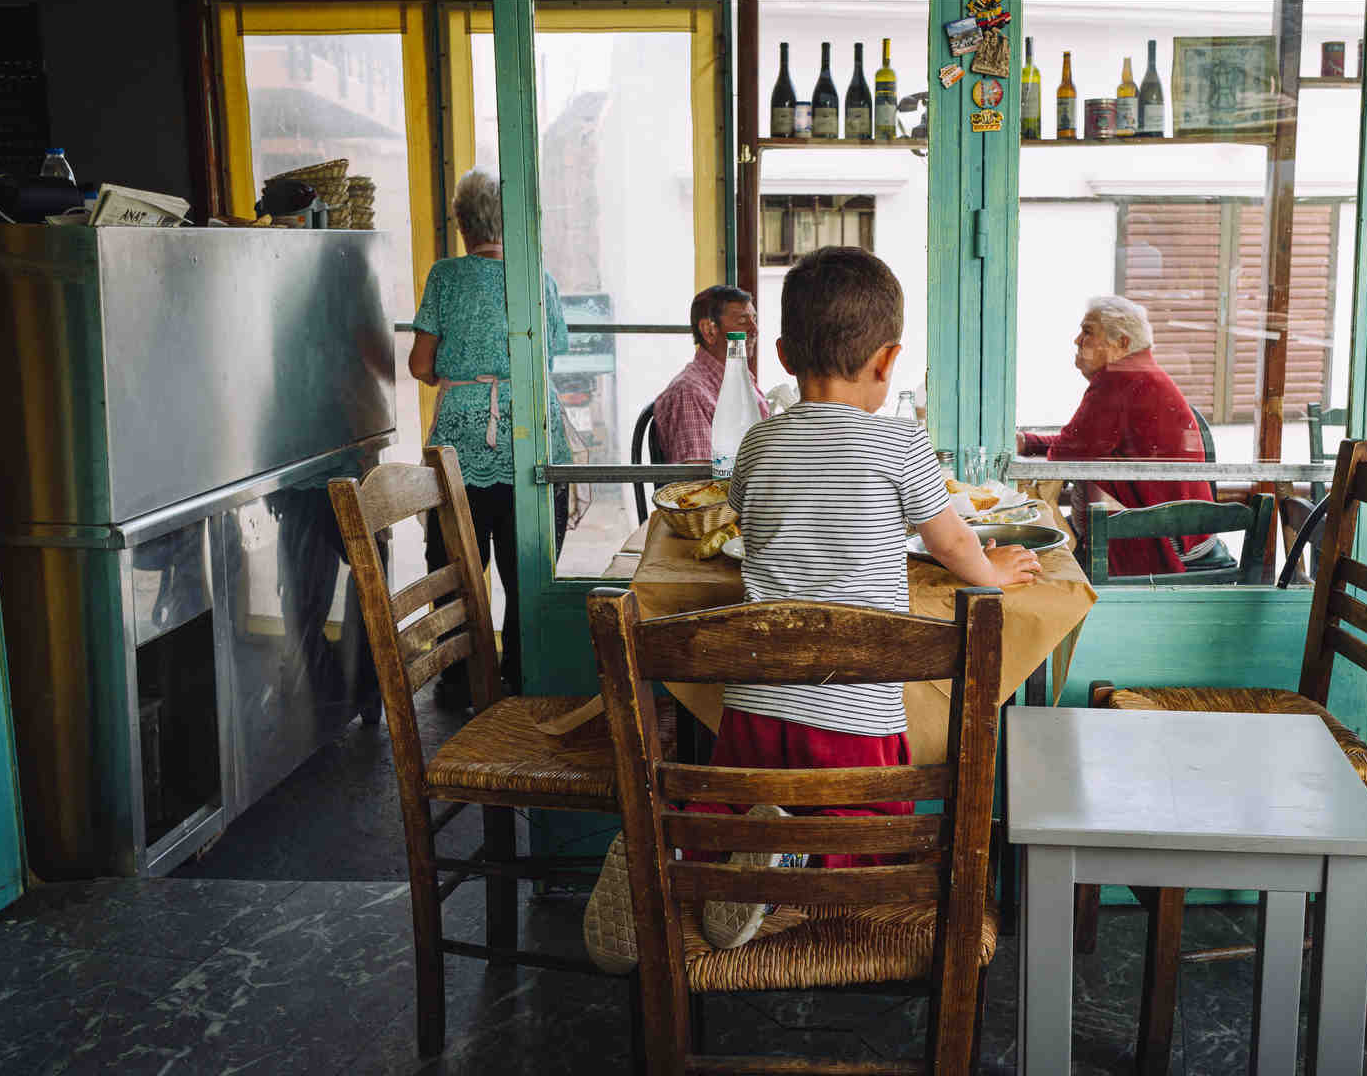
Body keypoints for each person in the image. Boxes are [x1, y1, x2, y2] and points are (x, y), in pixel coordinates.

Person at [584, 247, 1040, 964]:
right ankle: (789, 866)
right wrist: (995, 574)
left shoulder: (758, 442)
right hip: (856, 717)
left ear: (783, 355)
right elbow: (951, 541)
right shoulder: (901, 443)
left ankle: (671, 847)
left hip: (756, 704)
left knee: (736, 800)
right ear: (889, 361)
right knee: (867, 830)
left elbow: (751, 518)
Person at [408, 166, 570, 706]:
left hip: (462, 441)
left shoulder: (446, 277)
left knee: (455, 565)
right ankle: (523, 673)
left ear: (462, 225)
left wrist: (455, 370)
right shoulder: (538, 277)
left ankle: (460, 680)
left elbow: (420, 364)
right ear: (515, 223)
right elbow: (553, 353)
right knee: (529, 566)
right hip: (531, 433)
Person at [1017, 295, 1213, 576]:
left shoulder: (1120, 377)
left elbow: (1065, 453)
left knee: (1040, 561)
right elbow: (1083, 441)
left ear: (1121, 343)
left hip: (1167, 542)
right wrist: (1028, 443)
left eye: (1088, 332)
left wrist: (1031, 445)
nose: (1077, 340)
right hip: (1184, 530)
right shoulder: (1137, 372)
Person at [650, 284, 769, 461]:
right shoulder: (689, 393)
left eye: (754, 320)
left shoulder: (741, 380)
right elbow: (700, 474)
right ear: (709, 330)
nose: (754, 330)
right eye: (743, 321)